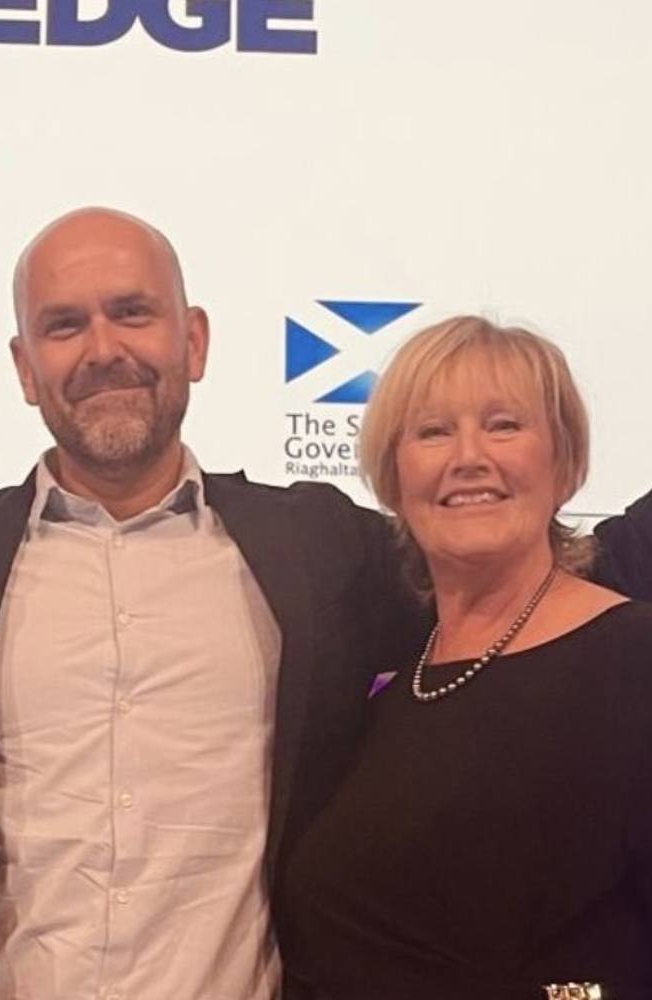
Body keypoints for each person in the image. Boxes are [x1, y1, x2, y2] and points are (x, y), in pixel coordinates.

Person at [0, 208, 652, 1000]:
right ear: (25, 367)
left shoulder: (319, 548)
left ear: (193, 340)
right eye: (65, 325)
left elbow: (518, 590)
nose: (104, 349)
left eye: (133, 312)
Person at [277, 317, 652, 1000]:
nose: (469, 456)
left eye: (504, 425)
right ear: (394, 477)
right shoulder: (392, 687)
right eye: (433, 432)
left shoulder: (635, 662)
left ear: (564, 463)